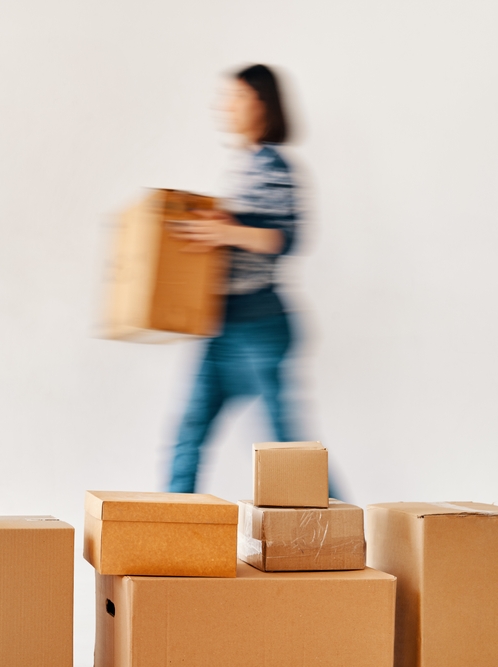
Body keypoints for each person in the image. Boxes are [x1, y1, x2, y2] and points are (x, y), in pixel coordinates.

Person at [167, 64, 326, 494]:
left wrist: (226, 230)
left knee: (289, 450)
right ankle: (166, 541)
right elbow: (251, 229)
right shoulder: (249, 165)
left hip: (258, 326)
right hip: (225, 326)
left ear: (261, 104)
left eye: (235, 98)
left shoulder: (274, 164)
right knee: (189, 433)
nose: (226, 107)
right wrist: (225, 223)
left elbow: (283, 237)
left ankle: (352, 538)